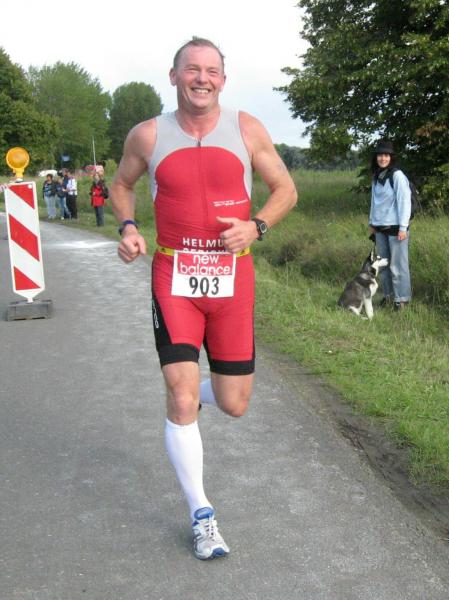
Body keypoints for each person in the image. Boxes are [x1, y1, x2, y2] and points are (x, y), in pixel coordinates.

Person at [110, 37, 297, 560]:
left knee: (235, 402)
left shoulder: (246, 128)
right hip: (174, 277)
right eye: (191, 69)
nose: (201, 79)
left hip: (232, 280)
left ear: (223, 80)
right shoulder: (148, 134)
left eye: (211, 71)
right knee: (180, 392)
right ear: (174, 76)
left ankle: (192, 399)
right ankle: (202, 514)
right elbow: (122, 185)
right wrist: (128, 228)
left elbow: (286, 190)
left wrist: (257, 226)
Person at [368, 140, 412, 310]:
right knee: (384, 265)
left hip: (396, 229)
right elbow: (374, 202)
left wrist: (403, 227)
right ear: (376, 158)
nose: (383, 158)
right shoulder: (376, 176)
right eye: (380, 155)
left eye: (386, 155)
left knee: (398, 266)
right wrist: (372, 222)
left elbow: (404, 202)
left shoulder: (397, 176)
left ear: (391, 157)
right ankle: (388, 296)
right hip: (380, 228)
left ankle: (402, 300)